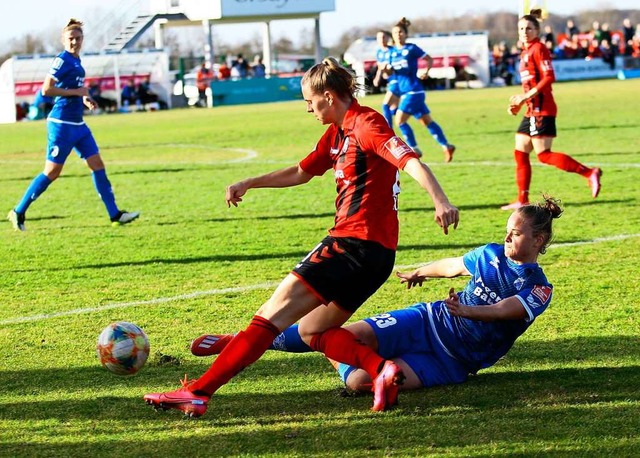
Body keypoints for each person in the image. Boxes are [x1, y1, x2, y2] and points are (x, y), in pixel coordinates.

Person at [143, 56, 459, 417]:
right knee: (313, 331)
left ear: (328, 96)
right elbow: (301, 171)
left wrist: (440, 201)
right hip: (376, 257)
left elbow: (411, 161)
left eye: (309, 101)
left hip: (350, 245)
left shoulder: (366, 124)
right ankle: (381, 370)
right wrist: (251, 182)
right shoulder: (337, 132)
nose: (307, 108)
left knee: (268, 316)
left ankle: (198, 392)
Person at [192, 196, 562, 398]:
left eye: (515, 234)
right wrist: (420, 272)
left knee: (357, 382)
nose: (507, 238)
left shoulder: (538, 287)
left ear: (538, 241)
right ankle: (243, 342)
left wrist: (466, 309)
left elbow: (503, 311)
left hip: (454, 361)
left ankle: (360, 362)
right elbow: (452, 265)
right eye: (507, 231)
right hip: (428, 320)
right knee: (342, 335)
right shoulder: (489, 254)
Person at [7, 19, 139, 232]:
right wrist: (77, 93)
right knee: (52, 172)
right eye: (71, 39)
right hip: (61, 125)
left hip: (78, 125)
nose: (74, 42)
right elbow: (46, 90)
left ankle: (115, 214)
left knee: (98, 165)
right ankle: (19, 211)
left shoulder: (77, 61)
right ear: (63, 40)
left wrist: (84, 98)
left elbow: (74, 88)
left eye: (78, 38)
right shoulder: (62, 60)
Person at [502, 10, 602, 210]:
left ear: (537, 30)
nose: (524, 31)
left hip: (542, 108)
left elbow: (549, 78)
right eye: (521, 28)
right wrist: (520, 103)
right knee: (520, 150)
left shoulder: (539, 48)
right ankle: (522, 199)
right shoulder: (525, 51)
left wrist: (526, 97)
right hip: (531, 109)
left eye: (529, 28)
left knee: (543, 155)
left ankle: (590, 173)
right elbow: (530, 85)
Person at [389, 17, 456, 162]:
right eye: (395, 33)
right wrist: (385, 69)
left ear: (405, 34)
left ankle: (414, 148)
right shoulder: (392, 53)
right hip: (406, 92)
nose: (398, 35)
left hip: (413, 91)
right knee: (426, 121)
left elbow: (429, 59)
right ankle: (446, 146)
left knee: (399, 120)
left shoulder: (411, 48)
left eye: (400, 32)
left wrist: (427, 71)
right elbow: (389, 73)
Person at [372, 30, 402, 128]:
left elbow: (395, 67)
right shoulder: (379, 52)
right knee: (394, 110)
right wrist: (377, 78)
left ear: (388, 38)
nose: (382, 39)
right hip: (391, 82)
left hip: (397, 81)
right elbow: (380, 67)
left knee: (385, 105)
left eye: (384, 37)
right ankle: (408, 112)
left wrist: (388, 69)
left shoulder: (393, 51)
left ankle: (389, 131)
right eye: (379, 38)